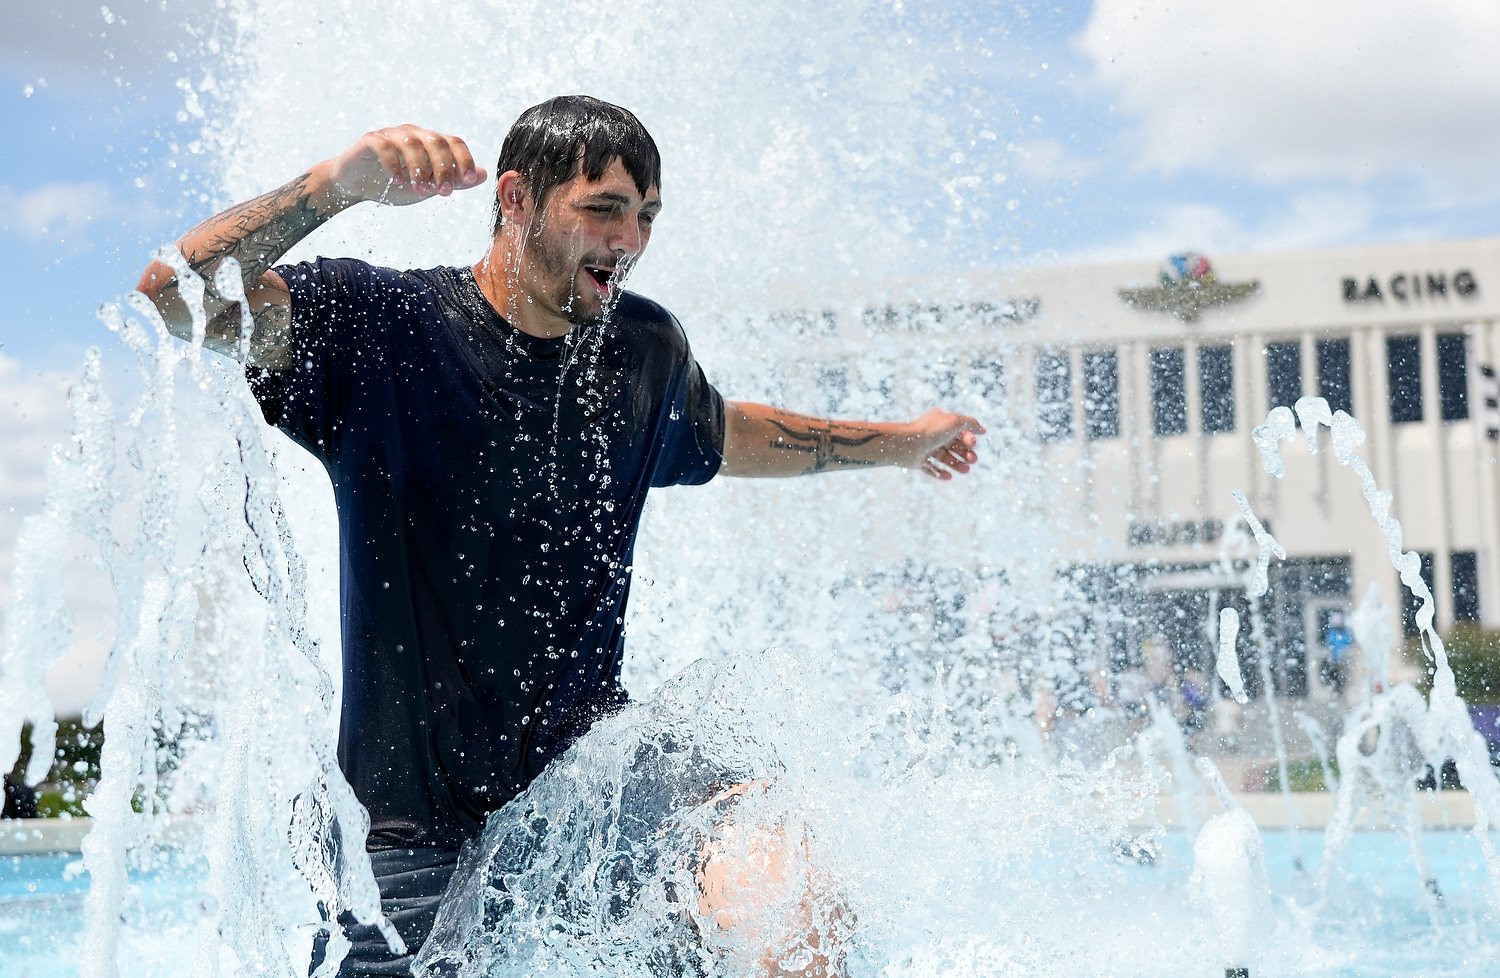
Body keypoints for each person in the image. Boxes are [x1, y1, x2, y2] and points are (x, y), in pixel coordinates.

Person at [137, 96, 984, 975]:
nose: (630, 239)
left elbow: (733, 433)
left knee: (783, 881)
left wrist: (906, 443)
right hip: (409, 835)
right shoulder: (376, 329)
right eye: (604, 208)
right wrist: (330, 188)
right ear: (516, 198)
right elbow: (175, 297)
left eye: (647, 216)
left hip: (589, 803)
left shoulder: (642, 351)